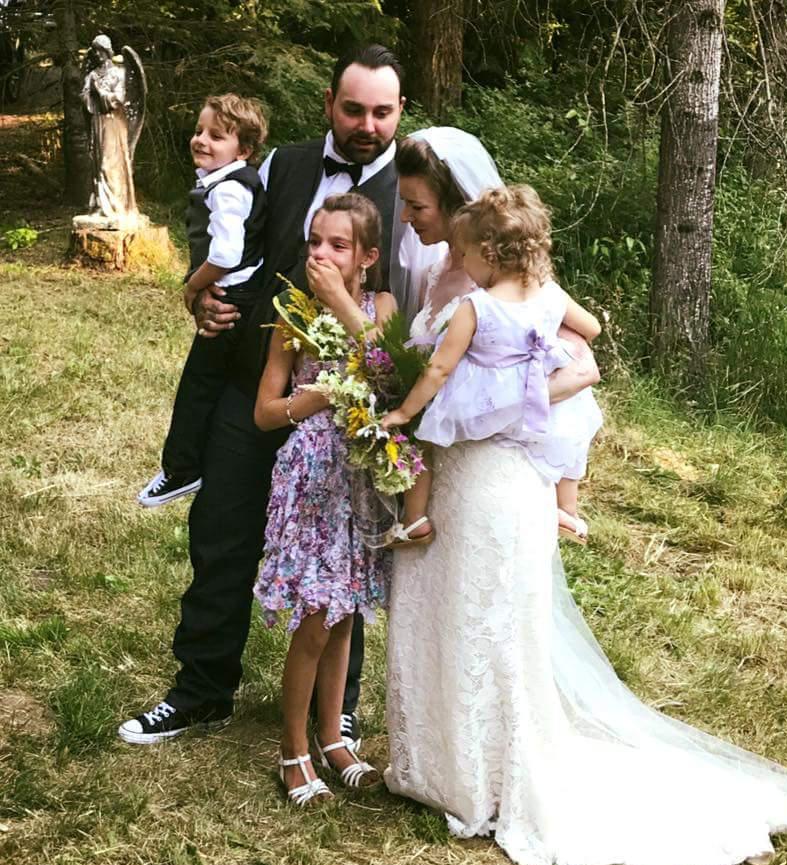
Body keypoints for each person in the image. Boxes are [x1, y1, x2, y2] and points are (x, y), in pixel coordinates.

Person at [383, 131, 787, 865]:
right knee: (451, 610)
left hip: (493, 478)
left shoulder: (497, 295)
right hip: (459, 474)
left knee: (485, 618)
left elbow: (579, 363)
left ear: (476, 230)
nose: (408, 220)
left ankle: (489, 774)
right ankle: (445, 764)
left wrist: (501, 398)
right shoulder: (450, 276)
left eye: (417, 206)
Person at [118, 45, 406, 746]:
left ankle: (334, 707)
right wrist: (206, 294)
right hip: (258, 383)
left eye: (382, 111)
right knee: (221, 532)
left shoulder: (416, 189)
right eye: (353, 108)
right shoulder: (281, 164)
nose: (366, 124)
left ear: (399, 113)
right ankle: (201, 688)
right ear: (329, 106)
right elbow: (232, 243)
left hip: (348, 411)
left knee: (343, 551)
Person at [254, 194, 394, 805]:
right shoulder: (292, 314)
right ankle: (292, 749)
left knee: (345, 617)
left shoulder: (380, 306)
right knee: (315, 618)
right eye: (315, 241)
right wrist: (310, 400)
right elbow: (264, 412)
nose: (321, 254)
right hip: (313, 471)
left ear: (367, 256)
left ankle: (334, 738)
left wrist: (342, 302)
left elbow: (390, 372)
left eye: (338, 244)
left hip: (359, 472)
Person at [382, 184, 603, 548]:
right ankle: (566, 510)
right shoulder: (550, 294)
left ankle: (414, 519)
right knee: (570, 423)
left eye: (465, 253)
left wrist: (405, 412)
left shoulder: (476, 307)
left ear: (487, 254)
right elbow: (592, 328)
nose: (464, 263)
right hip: (531, 403)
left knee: (424, 438)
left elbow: (439, 369)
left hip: (484, 404)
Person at [138, 94, 269, 508]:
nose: (202, 141)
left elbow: (226, 255)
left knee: (199, 385)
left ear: (243, 150)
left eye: (217, 135)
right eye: (199, 131)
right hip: (242, 295)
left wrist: (194, 286)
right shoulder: (228, 182)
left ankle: (182, 470)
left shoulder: (229, 190)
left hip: (232, 299)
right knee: (207, 383)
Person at [81, 34, 138, 221]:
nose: (97, 54)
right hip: (98, 121)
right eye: (94, 50)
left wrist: (102, 93)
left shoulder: (119, 73)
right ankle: (99, 204)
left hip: (114, 123)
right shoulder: (92, 75)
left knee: (110, 163)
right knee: (97, 163)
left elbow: (120, 98)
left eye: (100, 50)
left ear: (107, 51)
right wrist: (90, 95)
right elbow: (85, 98)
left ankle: (116, 205)